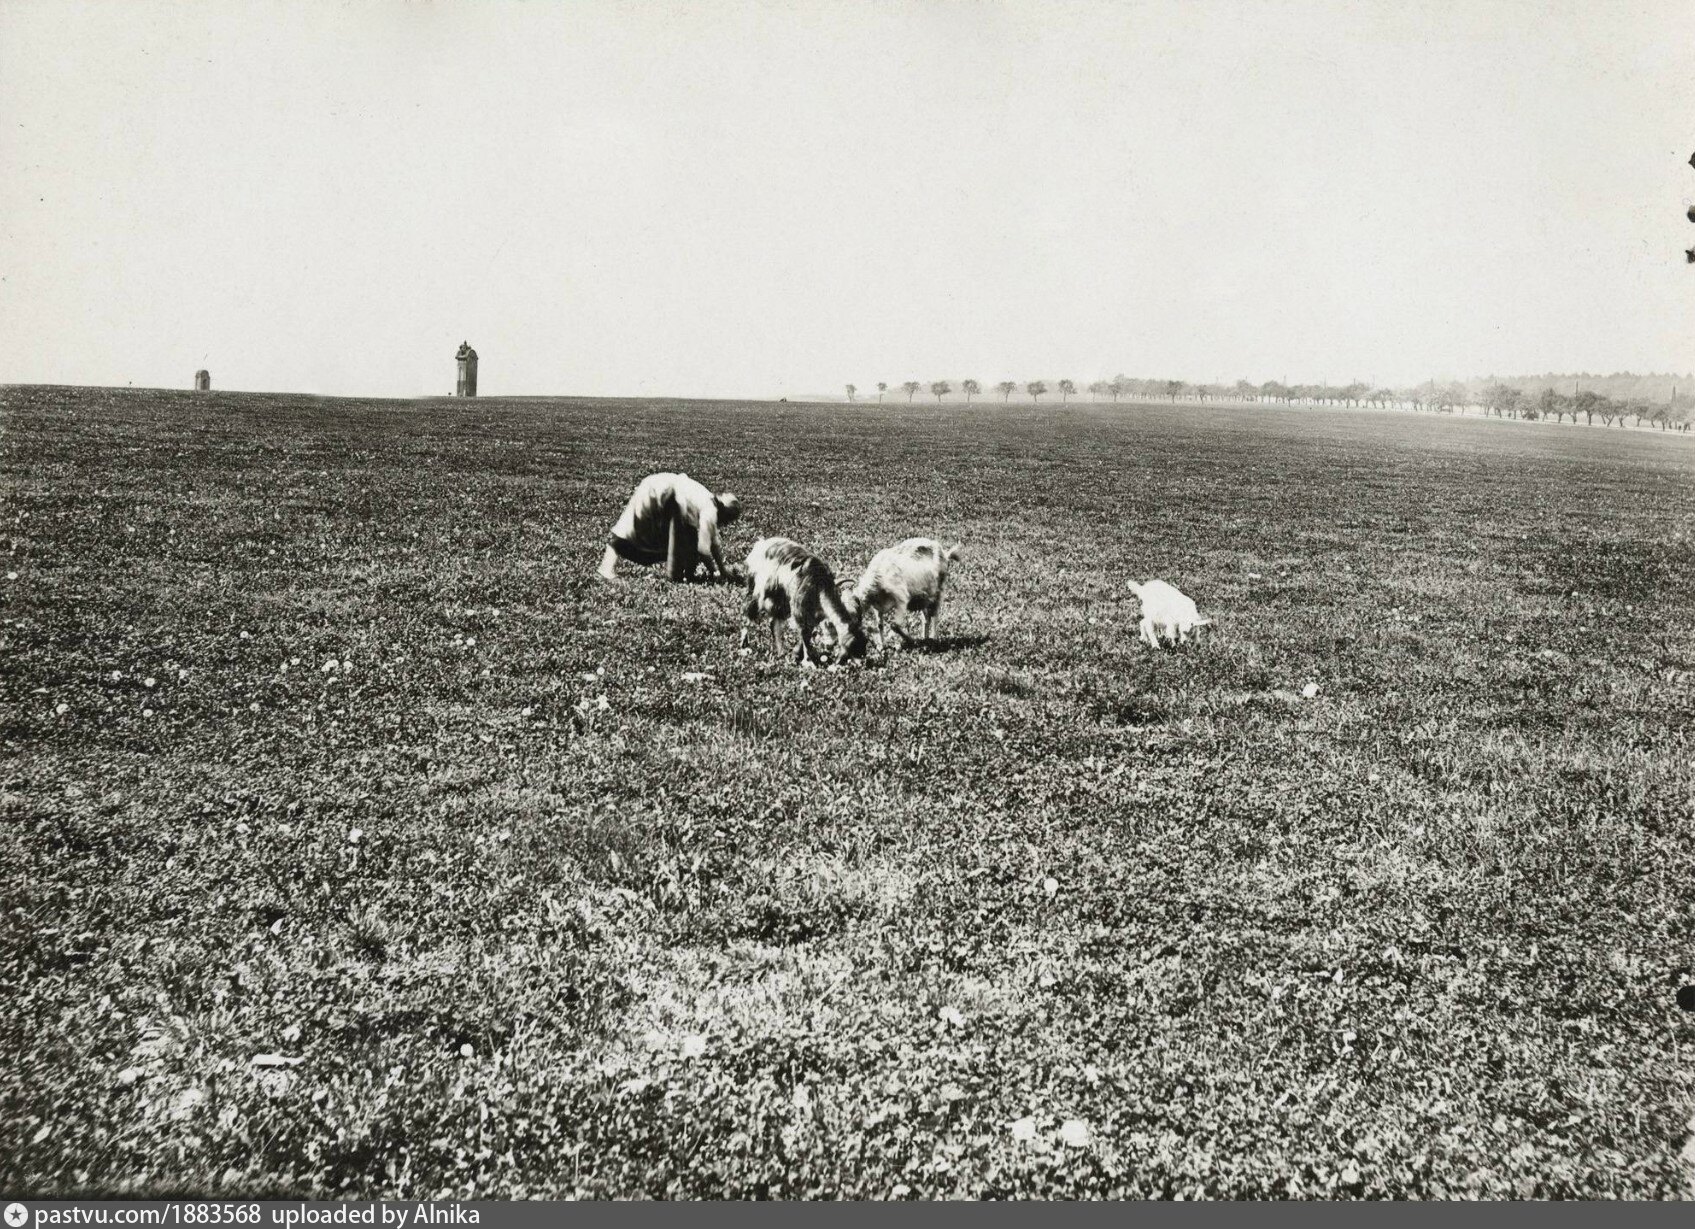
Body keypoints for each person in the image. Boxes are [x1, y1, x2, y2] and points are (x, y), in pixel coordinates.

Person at [598, 472, 743, 582]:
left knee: (638, 533)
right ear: (725, 515)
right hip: (661, 493)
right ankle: (606, 568)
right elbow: (704, 549)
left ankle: (680, 574)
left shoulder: (709, 500)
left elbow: (714, 543)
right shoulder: (710, 512)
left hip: (659, 485)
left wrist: (722, 570)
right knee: (637, 535)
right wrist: (715, 572)